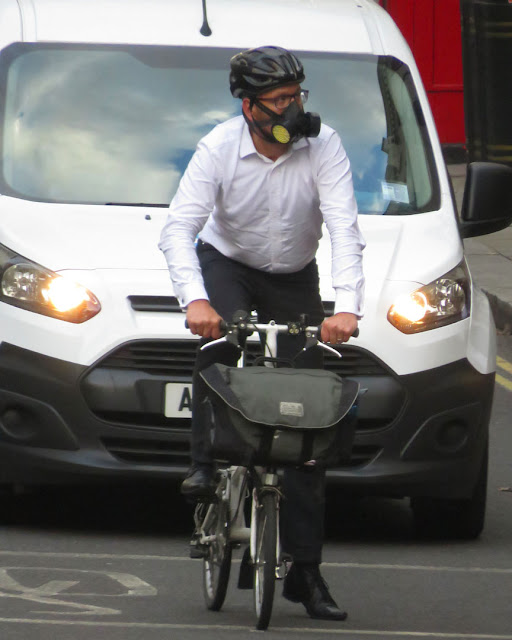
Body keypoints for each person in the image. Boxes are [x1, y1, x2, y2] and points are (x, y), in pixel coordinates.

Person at [159, 45, 365, 621]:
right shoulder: (219, 148)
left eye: (296, 96)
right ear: (249, 107)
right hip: (229, 264)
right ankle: (204, 467)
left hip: (294, 274)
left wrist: (346, 308)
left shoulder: (324, 146)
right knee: (219, 347)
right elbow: (178, 228)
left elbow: (345, 230)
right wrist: (196, 299)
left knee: (305, 419)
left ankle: (306, 571)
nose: (291, 109)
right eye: (278, 100)